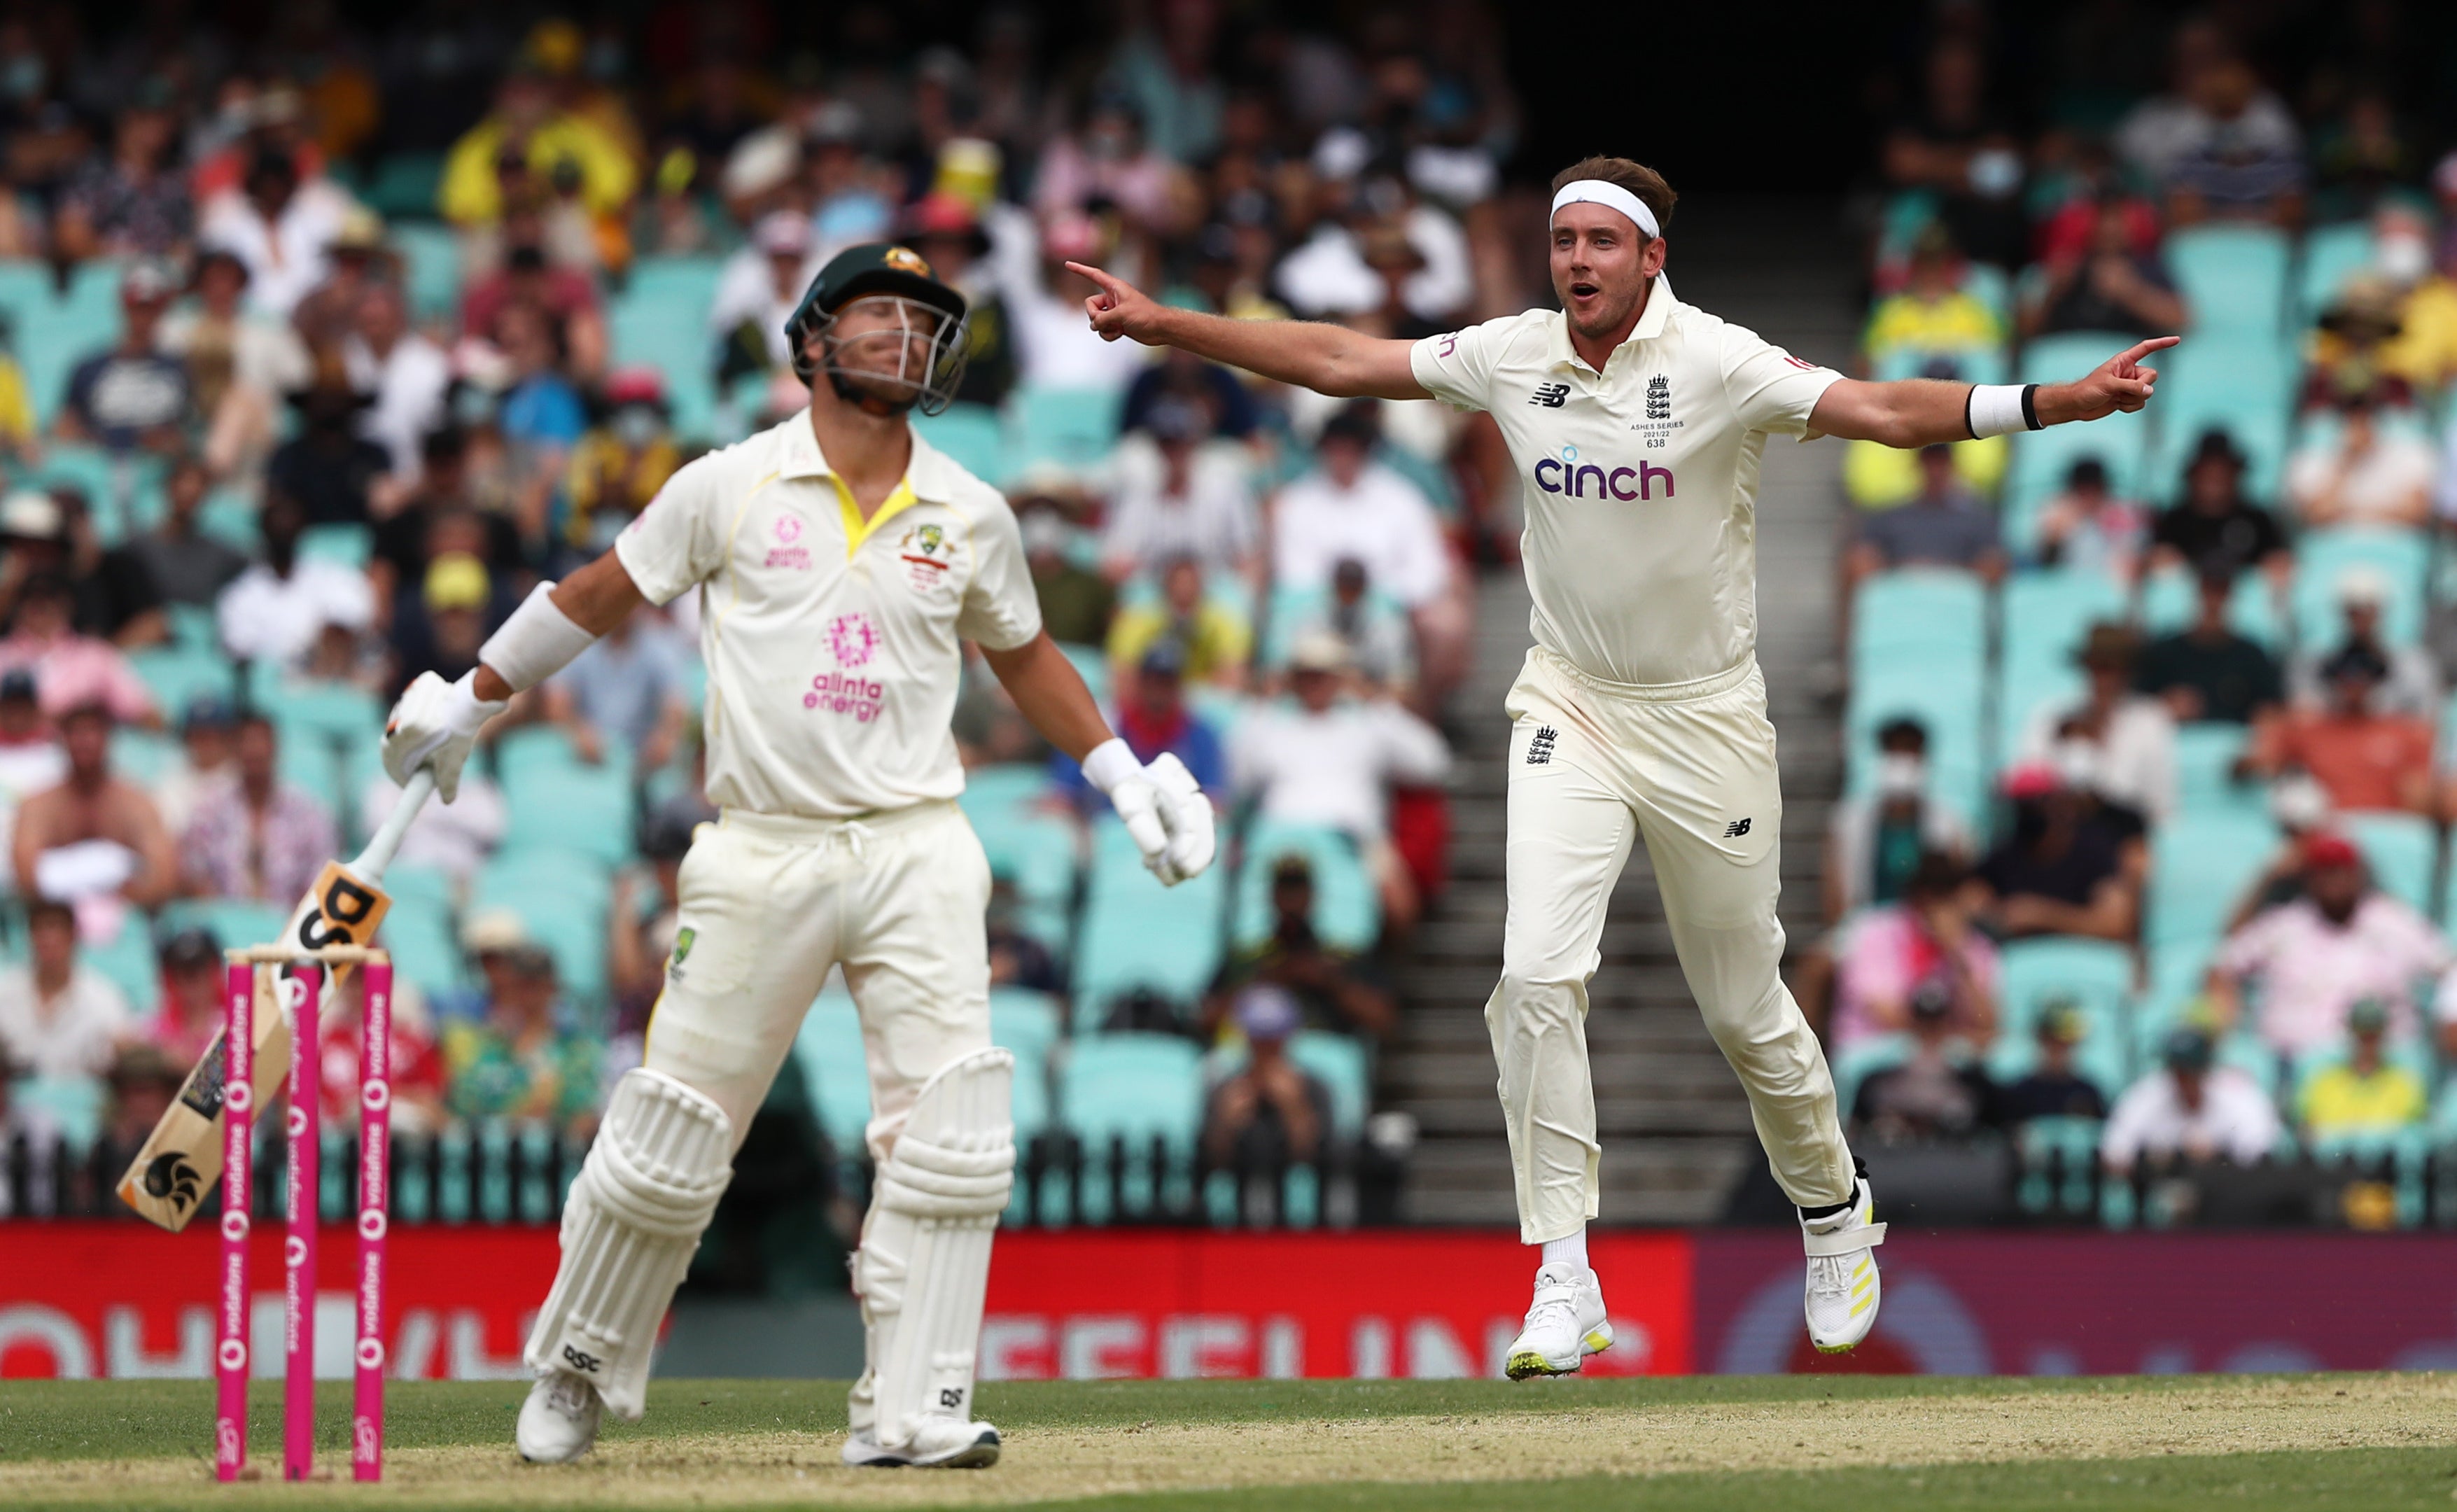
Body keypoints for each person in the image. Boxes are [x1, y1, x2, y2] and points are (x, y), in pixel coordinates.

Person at [1072, 149, 2173, 1367]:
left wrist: (2050, 403)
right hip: (1572, 703)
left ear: (1654, 258)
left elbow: (1877, 409)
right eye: (1565, 242)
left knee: (1745, 1007)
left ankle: (1829, 1208)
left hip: (1707, 719)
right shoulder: (1512, 355)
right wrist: (1168, 325)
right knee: (1535, 976)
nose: (1579, 261)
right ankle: (1563, 1271)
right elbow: (1342, 359)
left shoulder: (1720, 362)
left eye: (1604, 242)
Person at [380, 241, 1212, 1467]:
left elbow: (1026, 657)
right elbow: (604, 592)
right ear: (812, 340)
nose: (904, 336)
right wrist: (475, 696)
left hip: (918, 847)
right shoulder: (728, 485)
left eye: (922, 320)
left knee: (953, 1130)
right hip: (761, 847)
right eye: (878, 314)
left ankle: (911, 1409)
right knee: (673, 1132)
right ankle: (579, 1368)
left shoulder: (971, 512)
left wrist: (1119, 769)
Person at [1230, 634, 1449, 931]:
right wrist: (1263, 704)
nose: (1314, 683)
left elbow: (1433, 763)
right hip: (1280, 837)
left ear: (1339, 678)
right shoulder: (1271, 725)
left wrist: (1376, 702)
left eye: (1322, 675)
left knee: (1399, 902)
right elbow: (1238, 780)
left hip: (1354, 839)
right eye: (1306, 675)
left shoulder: (1368, 722)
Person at [2208, 830, 2450, 1060]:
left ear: (2358, 874)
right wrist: (2225, 1012)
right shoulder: (2283, 925)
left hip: (2380, 1071)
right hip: (2293, 1064)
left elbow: (2448, 966)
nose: (2335, 881)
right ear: (2310, 879)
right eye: (2325, 872)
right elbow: (2222, 963)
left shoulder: (2394, 921)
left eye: (2342, 871)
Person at [1205, 854, 1398, 1042]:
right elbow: (1205, 1019)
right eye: (1285, 890)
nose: (1292, 899)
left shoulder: (1341, 958)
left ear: (1313, 895)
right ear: (1272, 895)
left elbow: (1384, 1021)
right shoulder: (1246, 958)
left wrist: (1332, 982)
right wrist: (1267, 982)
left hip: (1324, 1056)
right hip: (1260, 1056)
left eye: (1298, 889)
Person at [13, 703, 178, 915]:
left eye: (92, 732)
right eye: (76, 733)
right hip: (56, 921)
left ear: (108, 738)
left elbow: (164, 879)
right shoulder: (39, 806)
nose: (84, 742)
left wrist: (117, 899)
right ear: (62, 740)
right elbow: (26, 877)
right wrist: (75, 898)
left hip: (124, 920)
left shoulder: (137, 805)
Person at [1828, 851, 1998, 1052]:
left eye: (1944, 898)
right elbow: (1886, 1015)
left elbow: (1986, 1023)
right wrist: (1954, 1035)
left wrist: (1956, 952)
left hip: (1947, 1054)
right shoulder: (1874, 931)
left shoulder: (1976, 946)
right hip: (1878, 1047)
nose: (1933, 909)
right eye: (1927, 897)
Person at [2244, 643, 2436, 816]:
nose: (2354, 686)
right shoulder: (2309, 729)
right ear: (2333, 682)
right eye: (2346, 678)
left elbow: (2419, 791)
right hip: (2325, 830)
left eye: (2362, 677)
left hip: (2385, 828)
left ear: (2375, 682)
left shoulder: (2404, 732)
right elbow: (2264, 756)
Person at [2017, 624, 2178, 824]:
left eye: (2112, 669)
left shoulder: (2150, 721)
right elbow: (2031, 784)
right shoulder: (2051, 715)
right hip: (2059, 830)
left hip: (2121, 832)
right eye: (2097, 668)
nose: (2104, 679)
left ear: (2128, 674)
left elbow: (2159, 805)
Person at [175, 711, 336, 904]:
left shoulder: (309, 814)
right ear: (233, 749)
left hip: (291, 924)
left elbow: (322, 880)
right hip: (225, 922)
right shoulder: (207, 811)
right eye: (246, 743)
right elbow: (193, 874)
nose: (254, 751)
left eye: (261, 743)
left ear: (275, 749)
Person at [1973, 762, 2144, 944]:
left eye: (2035, 804)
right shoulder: (2005, 855)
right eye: (2021, 806)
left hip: (2083, 959)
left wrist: (2042, 915)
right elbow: (1971, 899)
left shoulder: (2094, 850)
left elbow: (2116, 924)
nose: (2028, 814)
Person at [1098, 398, 1261, 584]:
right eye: (1166, 443)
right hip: (1156, 603)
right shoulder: (1139, 495)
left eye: (1181, 441)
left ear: (1194, 442)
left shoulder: (1225, 489)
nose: (1174, 452)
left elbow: (1250, 558)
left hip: (1214, 600)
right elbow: (1115, 564)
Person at [1823, 719, 1973, 922]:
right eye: (1894, 752)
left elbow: (1959, 889)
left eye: (1911, 752)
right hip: (1868, 926)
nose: (1903, 761)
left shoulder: (1949, 824)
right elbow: (1835, 891)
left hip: (1926, 929)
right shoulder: (1849, 822)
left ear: (1924, 758)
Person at [441, 943, 598, 1130]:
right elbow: (462, 1104)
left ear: (553, 988)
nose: (529, 994)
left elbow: (583, 1115)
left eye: (536, 984)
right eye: (522, 985)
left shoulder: (574, 1051)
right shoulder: (491, 1049)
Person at [1049, 640, 1227, 804]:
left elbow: (1214, 801)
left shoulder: (1199, 736)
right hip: (1103, 828)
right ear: (1139, 681)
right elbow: (1063, 794)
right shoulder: (1104, 726)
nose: (1158, 690)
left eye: (1167, 682)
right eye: (1152, 680)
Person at [215, 492, 377, 671]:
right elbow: (241, 649)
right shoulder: (241, 594)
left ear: (302, 528)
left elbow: (359, 613)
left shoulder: (329, 575)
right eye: (276, 522)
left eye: (290, 520)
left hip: (330, 678)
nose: (284, 527)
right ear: (263, 530)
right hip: (276, 686)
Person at [2101, 1023, 2281, 1177]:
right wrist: (2159, 1156)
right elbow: (2113, 1153)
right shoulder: (2150, 1092)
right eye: (2177, 1069)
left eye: (2189, 1071)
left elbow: (2262, 1151)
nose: (2183, 1079)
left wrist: (2215, 1153)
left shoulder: (2236, 1093)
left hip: (2225, 1189)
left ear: (2205, 1069)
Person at [55, 262, 190, 454]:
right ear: (124, 306)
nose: (143, 316)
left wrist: (168, 443)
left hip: (159, 470)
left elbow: (188, 432)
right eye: (136, 307)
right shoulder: (89, 367)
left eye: (151, 308)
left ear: (162, 310)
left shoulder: (179, 367)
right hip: (100, 464)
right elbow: (63, 428)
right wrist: (90, 439)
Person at [0, 897, 131, 1094]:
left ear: (72, 937)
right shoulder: (5, 990)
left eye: (55, 930)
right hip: (14, 1106)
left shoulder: (104, 998)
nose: (47, 940)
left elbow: (123, 1054)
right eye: (40, 930)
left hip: (83, 1108)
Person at [1199, 983, 1333, 1174]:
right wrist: (1226, 1125)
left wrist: (1294, 1110)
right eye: (1258, 1037)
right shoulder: (1224, 1088)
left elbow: (1323, 1165)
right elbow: (1208, 1165)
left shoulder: (1316, 1088)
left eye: (1274, 1037)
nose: (1266, 1046)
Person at [2132, 563, 2284, 727]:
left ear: (2231, 596)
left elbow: (2272, 708)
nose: (2213, 600)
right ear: (2197, 592)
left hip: (2236, 745)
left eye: (2221, 591)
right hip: (2175, 744)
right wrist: (2163, 706)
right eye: (2208, 590)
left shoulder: (2251, 655)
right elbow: (2135, 706)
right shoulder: (2165, 653)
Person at [2019, 195, 2190, 340]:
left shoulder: (2148, 266)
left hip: (2127, 364)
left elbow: (2181, 320)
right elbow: (2025, 330)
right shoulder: (2065, 265)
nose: (2110, 228)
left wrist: (2130, 292)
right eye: (2103, 220)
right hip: (2066, 363)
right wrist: (2054, 290)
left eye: (2118, 220)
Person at [0, 573, 158, 728]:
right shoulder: (4, 653)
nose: (39, 605)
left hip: (75, 748)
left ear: (66, 603)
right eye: (30, 598)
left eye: (48, 598)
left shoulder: (95, 655)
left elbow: (144, 713)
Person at [544, 608, 690, 771]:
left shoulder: (660, 643)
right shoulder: (580, 642)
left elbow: (675, 705)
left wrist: (664, 737)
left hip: (641, 762)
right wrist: (578, 733)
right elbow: (558, 702)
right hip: (585, 758)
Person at [1849, 981, 1994, 1144]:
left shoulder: (1970, 1072)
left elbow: (1996, 1129)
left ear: (1947, 1022)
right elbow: (1856, 1128)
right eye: (1924, 1021)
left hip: (1955, 1157)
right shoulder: (1881, 1071)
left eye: (1936, 1022)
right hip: (1895, 1159)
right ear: (1912, 1021)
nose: (1930, 1029)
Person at [1844, 443, 2006, 587]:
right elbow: (1862, 560)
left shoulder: (1977, 519)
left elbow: (1993, 566)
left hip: (1954, 604)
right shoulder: (1890, 518)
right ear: (1918, 465)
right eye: (1929, 462)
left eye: (1940, 462)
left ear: (1951, 465)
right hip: (1901, 601)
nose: (1934, 471)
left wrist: (1942, 576)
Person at [2285, 566, 2437, 719]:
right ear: (2342, 612)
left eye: (2368, 609)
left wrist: (2373, 701)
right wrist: (2341, 699)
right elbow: (2302, 713)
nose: (2361, 618)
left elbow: (2424, 720)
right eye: (2354, 610)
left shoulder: (2414, 664)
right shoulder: (2313, 663)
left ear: (2380, 611)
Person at [2148, 431, 2290, 582]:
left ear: (2236, 475)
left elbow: (2280, 562)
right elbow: (2155, 563)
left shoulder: (2258, 520)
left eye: (2223, 473)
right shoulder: (2175, 521)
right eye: (2208, 473)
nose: (2215, 481)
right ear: (2193, 476)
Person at [2286, 393, 2434, 528]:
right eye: (2353, 424)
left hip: (2394, 543)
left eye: (2365, 422)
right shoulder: (2314, 459)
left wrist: (2352, 514)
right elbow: (2316, 516)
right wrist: (2346, 465)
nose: (2360, 431)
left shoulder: (2410, 455)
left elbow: (2416, 515)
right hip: (2336, 545)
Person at [1103, 554, 1250, 690]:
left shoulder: (1225, 621)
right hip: (1150, 697)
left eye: (1190, 584)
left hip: (1202, 702)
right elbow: (1122, 675)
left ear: (1201, 588)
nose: (1184, 590)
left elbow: (1232, 679)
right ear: (1166, 587)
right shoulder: (1137, 620)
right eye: (1178, 584)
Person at [2297, 997, 2426, 1142]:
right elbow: (2308, 1133)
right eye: (2361, 1035)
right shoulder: (2323, 1083)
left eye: (2373, 1036)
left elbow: (2414, 1136)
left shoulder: (2406, 1084)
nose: (2367, 1043)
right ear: (2350, 1034)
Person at [126, 458, 248, 612]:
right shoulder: (138, 549)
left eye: (198, 486)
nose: (189, 492)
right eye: (183, 482)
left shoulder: (219, 553)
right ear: (169, 486)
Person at [1991, 1001, 2109, 1127]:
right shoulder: (2018, 1093)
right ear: (2040, 1040)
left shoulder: (2089, 1093)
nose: (2059, 1049)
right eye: (2052, 1042)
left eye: (2065, 1044)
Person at [2030, 457, 2148, 582]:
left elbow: (2137, 556)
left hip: (2112, 584)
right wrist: (2055, 537)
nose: (2089, 496)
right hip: (2065, 586)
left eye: (2094, 489)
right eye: (2082, 490)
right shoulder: (2055, 511)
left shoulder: (2124, 513)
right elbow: (2044, 563)